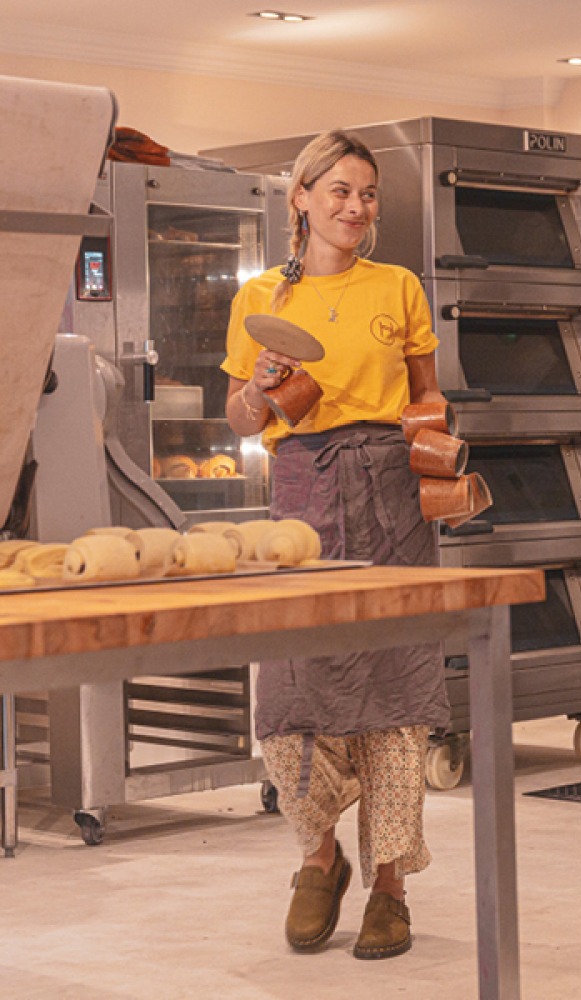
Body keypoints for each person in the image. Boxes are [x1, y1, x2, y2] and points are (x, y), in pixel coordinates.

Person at [222, 130, 450, 957]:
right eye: (341, 192)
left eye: (367, 195)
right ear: (303, 199)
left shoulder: (398, 286)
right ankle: (319, 859)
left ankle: (389, 879)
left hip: (391, 487)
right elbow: (243, 423)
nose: (356, 208)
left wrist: (437, 454)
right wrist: (255, 391)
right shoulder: (261, 300)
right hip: (300, 493)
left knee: (397, 687)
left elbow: (428, 396)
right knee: (289, 691)